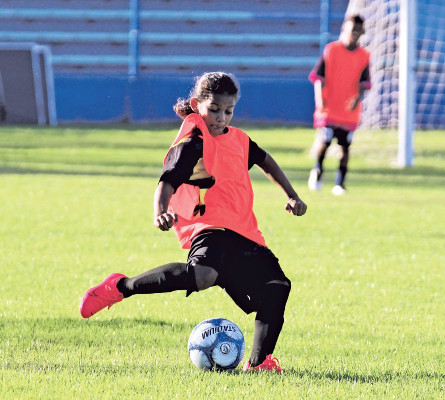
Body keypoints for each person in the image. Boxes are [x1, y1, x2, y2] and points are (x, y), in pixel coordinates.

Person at [79, 72, 307, 373]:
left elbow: (266, 161)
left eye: (228, 110)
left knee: (277, 286)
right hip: (208, 226)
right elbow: (167, 181)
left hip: (244, 230)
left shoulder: (239, 139)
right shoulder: (193, 144)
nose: (221, 117)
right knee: (203, 275)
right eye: (214, 109)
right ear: (197, 104)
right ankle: (120, 286)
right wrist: (160, 211)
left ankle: (259, 363)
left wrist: (292, 195)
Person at [308, 14, 371, 195]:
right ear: (344, 29)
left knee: (345, 147)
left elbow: (364, 83)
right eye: (352, 30)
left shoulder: (364, 56)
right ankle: (318, 170)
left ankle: (340, 183)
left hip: (349, 111)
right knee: (325, 141)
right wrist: (320, 99)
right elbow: (318, 77)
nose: (355, 34)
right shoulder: (331, 50)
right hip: (329, 108)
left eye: (358, 30)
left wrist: (357, 99)